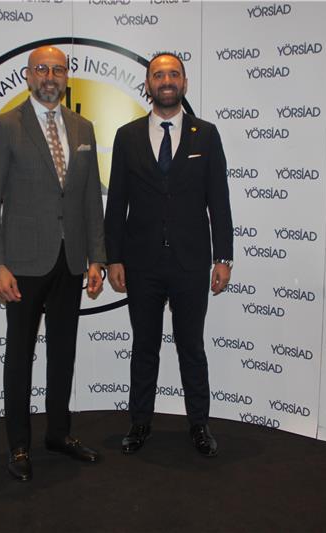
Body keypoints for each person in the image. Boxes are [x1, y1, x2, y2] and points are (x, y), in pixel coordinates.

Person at [0, 46, 106, 481]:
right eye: (42, 69)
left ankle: (58, 434)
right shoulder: (6, 126)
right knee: (20, 355)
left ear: (67, 76)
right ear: (28, 76)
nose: (50, 76)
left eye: (57, 69)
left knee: (63, 352)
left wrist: (97, 258)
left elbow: (90, 200)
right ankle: (18, 445)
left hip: (71, 261)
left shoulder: (83, 127)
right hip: (23, 264)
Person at [104, 53, 234, 457]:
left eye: (173, 74)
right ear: (148, 84)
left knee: (191, 347)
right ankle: (140, 422)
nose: (166, 80)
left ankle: (199, 425)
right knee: (144, 346)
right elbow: (116, 203)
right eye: (158, 74)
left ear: (184, 83)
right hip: (141, 263)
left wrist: (223, 257)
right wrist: (113, 257)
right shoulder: (127, 136)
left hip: (190, 262)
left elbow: (219, 200)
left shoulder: (206, 135)